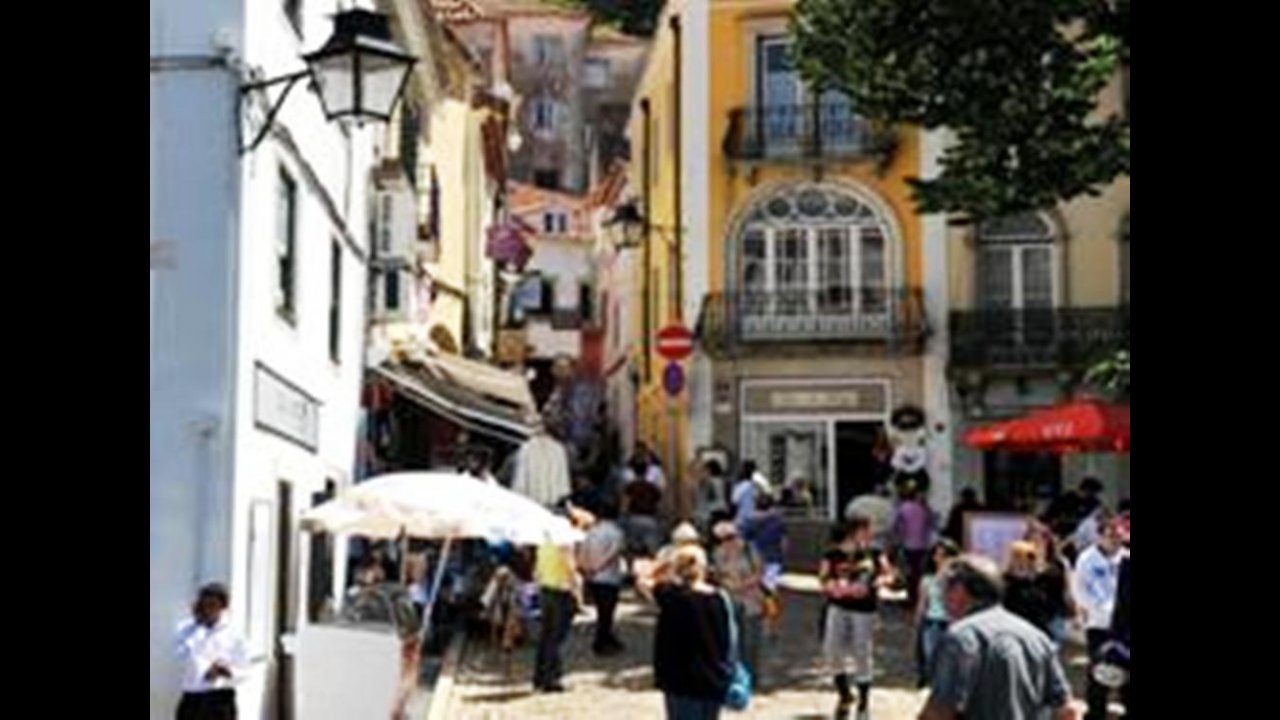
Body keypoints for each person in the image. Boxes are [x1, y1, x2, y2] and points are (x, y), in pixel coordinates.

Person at [919, 555, 1077, 720]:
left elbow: (939, 712)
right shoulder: (1037, 638)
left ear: (958, 590)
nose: (942, 598)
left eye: (943, 588)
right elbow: (1067, 711)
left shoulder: (961, 637)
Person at [638, 544, 735, 720]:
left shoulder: (671, 596)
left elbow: (643, 580)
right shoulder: (718, 598)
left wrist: (664, 564)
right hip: (712, 675)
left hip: (680, 678)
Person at [820, 516, 895, 720]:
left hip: (864, 609)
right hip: (838, 606)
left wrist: (877, 583)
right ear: (853, 532)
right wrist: (832, 588)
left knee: (862, 652)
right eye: (866, 530)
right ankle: (845, 694)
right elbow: (823, 577)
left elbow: (889, 574)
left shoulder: (874, 553)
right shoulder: (833, 554)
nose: (870, 534)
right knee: (832, 649)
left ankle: (863, 703)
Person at [1075, 517, 1128, 720]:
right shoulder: (1087, 559)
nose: (1115, 540)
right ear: (1100, 536)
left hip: (1124, 627)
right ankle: (1096, 713)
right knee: (1100, 673)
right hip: (1099, 626)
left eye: (1119, 536)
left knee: (1126, 671)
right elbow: (1081, 592)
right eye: (1110, 535)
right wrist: (1104, 611)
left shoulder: (1127, 557)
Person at [175, 583, 248, 720]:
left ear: (222, 607)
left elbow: (244, 669)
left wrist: (227, 671)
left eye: (213, 605)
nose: (208, 610)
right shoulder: (185, 630)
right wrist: (199, 626)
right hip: (192, 698)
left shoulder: (234, 634)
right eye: (204, 605)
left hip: (220, 699)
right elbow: (183, 657)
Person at [533, 516, 585, 693]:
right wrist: (578, 594)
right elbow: (571, 569)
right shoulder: (565, 543)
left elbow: (537, 571)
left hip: (546, 590)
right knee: (557, 638)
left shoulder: (544, 543)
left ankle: (539, 677)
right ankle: (552, 679)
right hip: (561, 592)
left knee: (546, 637)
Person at [711, 521, 765, 687]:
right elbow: (716, 575)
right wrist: (726, 583)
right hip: (729, 599)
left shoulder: (749, 550)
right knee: (732, 640)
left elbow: (760, 571)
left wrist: (745, 584)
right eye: (723, 539)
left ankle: (752, 676)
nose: (727, 542)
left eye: (730, 537)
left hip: (751, 600)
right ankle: (735, 676)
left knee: (751, 641)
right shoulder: (718, 553)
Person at [577, 500, 627, 656]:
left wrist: (586, 568)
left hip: (593, 576)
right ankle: (601, 642)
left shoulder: (592, 532)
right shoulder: (617, 533)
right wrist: (599, 566)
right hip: (609, 577)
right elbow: (614, 553)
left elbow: (583, 550)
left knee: (601, 610)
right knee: (607, 612)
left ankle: (608, 639)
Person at [915, 539, 960, 688]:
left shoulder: (958, 579)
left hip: (952, 623)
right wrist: (918, 623)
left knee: (951, 660)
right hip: (932, 622)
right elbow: (922, 603)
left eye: (945, 555)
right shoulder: (927, 579)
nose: (941, 559)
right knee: (932, 659)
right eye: (938, 555)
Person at [744, 492, 787, 637]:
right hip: (773, 560)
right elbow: (784, 542)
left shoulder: (750, 521)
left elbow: (746, 542)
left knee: (758, 592)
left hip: (756, 561)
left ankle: (758, 622)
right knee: (770, 594)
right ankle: (770, 627)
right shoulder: (778, 521)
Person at [894, 483, 935, 609]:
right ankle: (918, 598)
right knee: (919, 573)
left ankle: (909, 598)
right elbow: (930, 524)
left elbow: (897, 527)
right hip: (923, 545)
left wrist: (897, 541)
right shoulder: (924, 508)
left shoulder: (902, 508)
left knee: (907, 572)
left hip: (907, 545)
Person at [1003, 541, 1054, 635]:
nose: (1025, 563)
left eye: (1029, 561)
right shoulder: (1004, 585)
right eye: (1019, 559)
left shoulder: (1039, 583)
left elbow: (1047, 610)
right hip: (1012, 631)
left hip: (1034, 631)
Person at [694, 460, 730, 533]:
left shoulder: (710, 482)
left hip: (712, 514)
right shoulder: (723, 481)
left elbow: (705, 501)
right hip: (722, 512)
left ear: (709, 470)